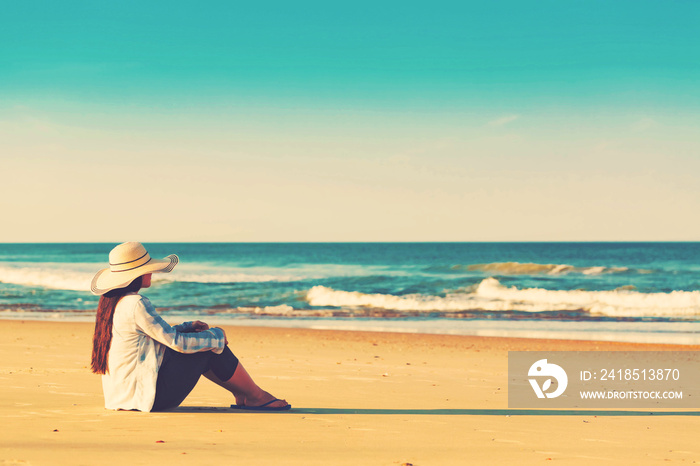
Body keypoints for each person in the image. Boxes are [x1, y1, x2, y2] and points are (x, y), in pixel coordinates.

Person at [90, 242, 290, 412]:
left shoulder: (112, 303)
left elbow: (157, 335)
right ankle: (255, 395)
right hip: (147, 399)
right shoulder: (136, 303)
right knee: (209, 347)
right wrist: (217, 336)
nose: (152, 272)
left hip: (123, 398)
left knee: (201, 339)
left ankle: (243, 394)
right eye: (148, 268)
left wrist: (188, 326)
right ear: (137, 274)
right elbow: (176, 343)